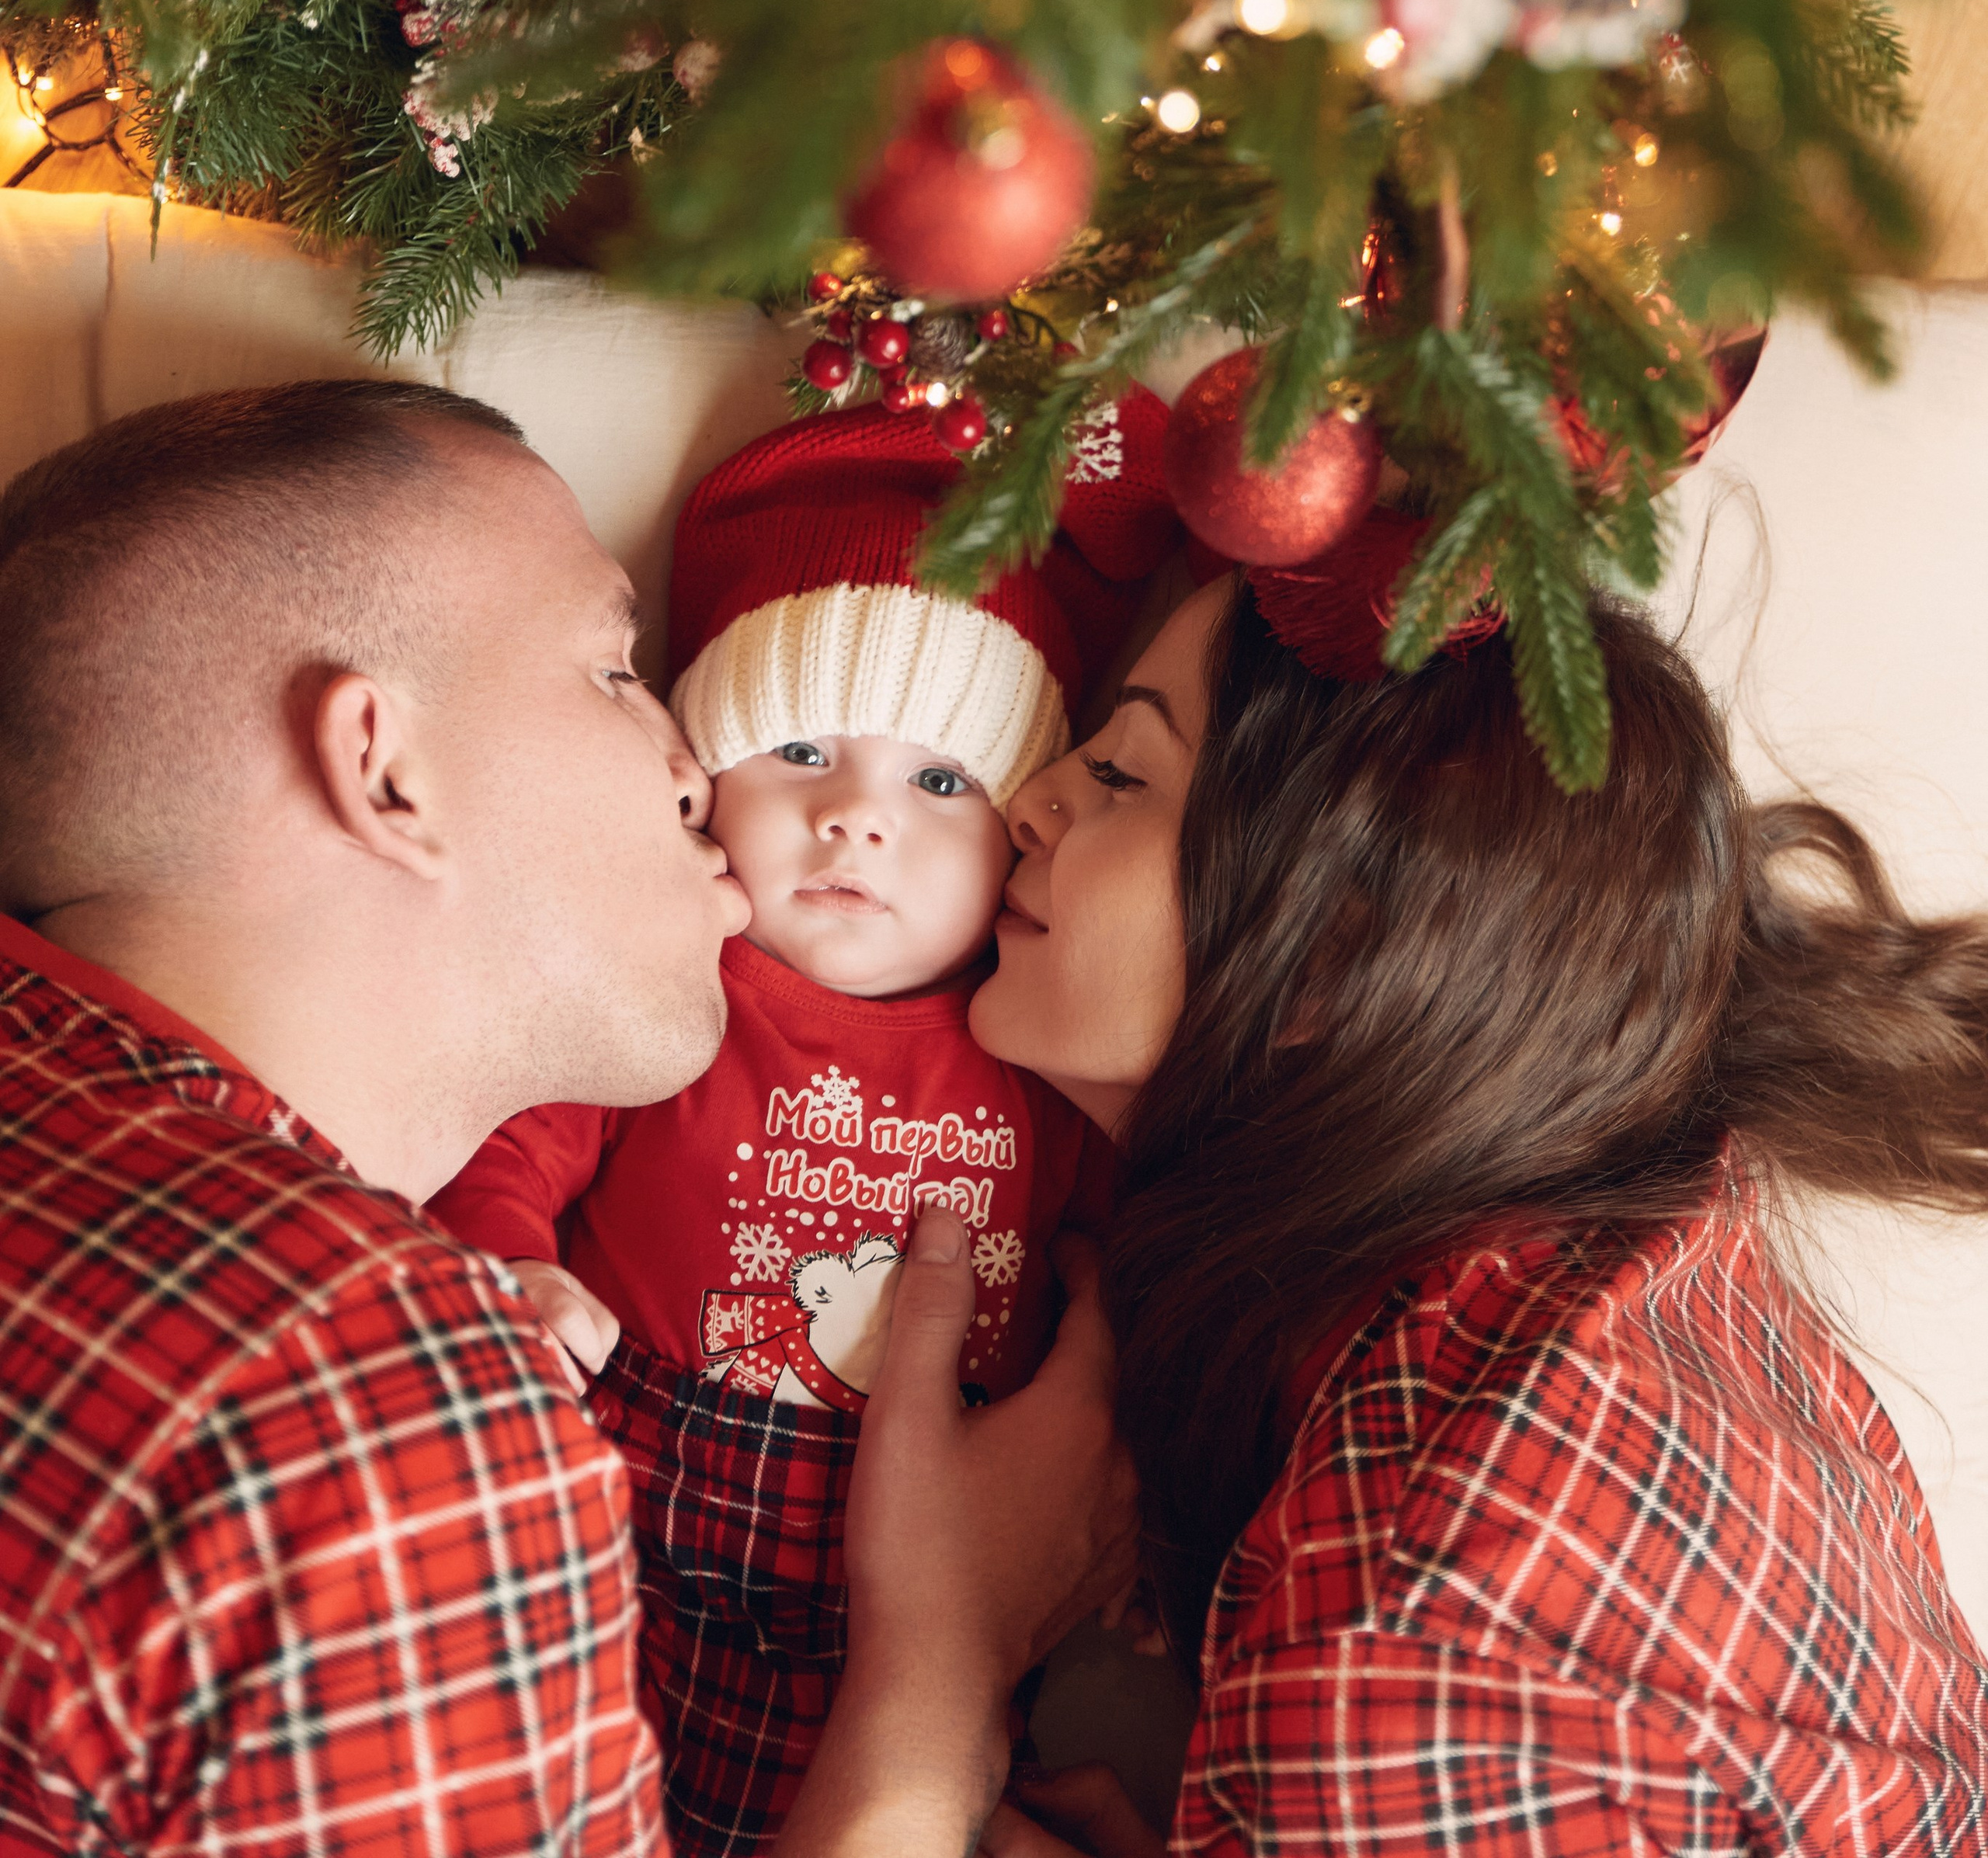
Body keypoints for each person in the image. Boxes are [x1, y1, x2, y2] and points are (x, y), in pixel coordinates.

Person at [0, 379, 1135, 1858]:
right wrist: (946, 1681)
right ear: (385, 771)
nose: (690, 770)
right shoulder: (367, 1418)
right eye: (616, 671)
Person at [966, 526, 1988, 1856]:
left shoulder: (1415, 1627)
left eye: (1120, 771)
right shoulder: (1644, 1231)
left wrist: (937, 1657)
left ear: (1335, 956)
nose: (1029, 799)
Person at [433, 399, 1166, 1856]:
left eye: (941, 781)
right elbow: (514, 1140)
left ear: (1021, 820)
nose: (856, 818)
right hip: (644, 1508)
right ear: (701, 783)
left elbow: (1116, 1277)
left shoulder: (1034, 1041)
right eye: (801, 752)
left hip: (917, 1558)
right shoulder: (676, 985)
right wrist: (505, 1270)